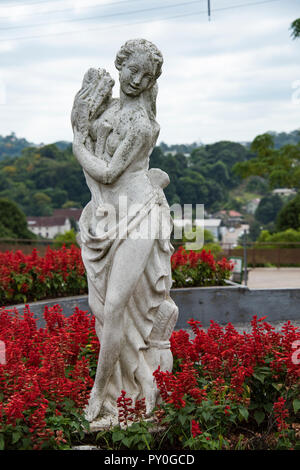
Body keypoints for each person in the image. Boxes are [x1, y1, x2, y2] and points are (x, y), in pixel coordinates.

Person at [72, 39, 178, 424]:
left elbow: (108, 172)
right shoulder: (111, 109)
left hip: (140, 214)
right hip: (105, 218)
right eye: (131, 70)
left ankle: (100, 397)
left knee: (115, 307)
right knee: (102, 309)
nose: (135, 80)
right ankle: (144, 380)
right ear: (119, 65)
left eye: (145, 76)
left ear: (152, 81)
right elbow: (96, 169)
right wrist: (80, 118)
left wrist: (77, 142)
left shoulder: (139, 122)